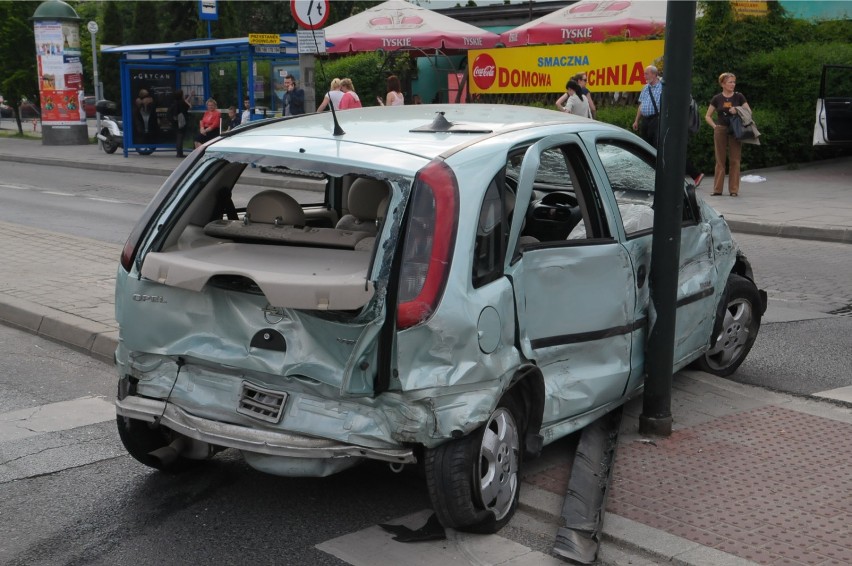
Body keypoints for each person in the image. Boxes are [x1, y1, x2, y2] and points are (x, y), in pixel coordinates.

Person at [706, 72, 751, 197]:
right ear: (723, 84)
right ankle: (717, 190)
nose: (733, 84)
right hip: (721, 129)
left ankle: (734, 190)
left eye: (734, 82)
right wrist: (715, 126)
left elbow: (749, 111)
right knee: (720, 160)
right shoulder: (717, 98)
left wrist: (737, 109)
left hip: (735, 129)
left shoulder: (739, 96)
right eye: (730, 82)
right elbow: (708, 116)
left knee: (735, 159)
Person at [632, 65, 663, 147]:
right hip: (645, 120)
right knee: (645, 144)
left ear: (654, 74)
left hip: (656, 120)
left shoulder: (662, 87)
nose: (644, 76)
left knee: (655, 144)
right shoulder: (645, 87)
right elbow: (641, 105)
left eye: (646, 74)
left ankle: (655, 160)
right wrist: (636, 121)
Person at [167, 89, 190, 158]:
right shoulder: (182, 102)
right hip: (181, 121)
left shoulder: (174, 102)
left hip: (175, 122)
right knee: (180, 137)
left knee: (178, 136)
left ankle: (179, 152)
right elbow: (188, 106)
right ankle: (179, 153)